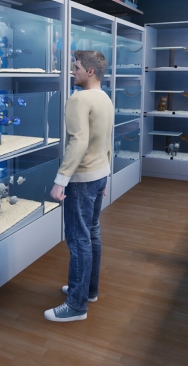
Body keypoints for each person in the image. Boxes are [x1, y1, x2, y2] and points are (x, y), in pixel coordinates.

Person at [45, 50, 113, 322]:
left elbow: (79, 141)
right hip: (99, 175)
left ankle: (76, 305)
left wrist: (60, 180)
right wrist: (105, 173)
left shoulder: (78, 99)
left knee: (78, 240)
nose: (72, 71)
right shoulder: (104, 97)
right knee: (92, 233)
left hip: (82, 179)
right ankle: (87, 290)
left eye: (76, 67)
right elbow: (105, 138)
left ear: (90, 71)